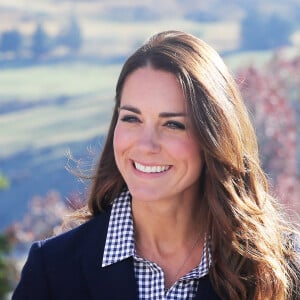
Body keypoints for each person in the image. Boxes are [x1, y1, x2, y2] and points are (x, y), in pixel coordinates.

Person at [12, 30, 299, 300]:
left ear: (214, 137)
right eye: (131, 118)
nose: (146, 145)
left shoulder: (280, 267)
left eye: (173, 124)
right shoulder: (52, 270)